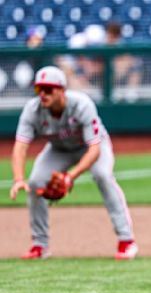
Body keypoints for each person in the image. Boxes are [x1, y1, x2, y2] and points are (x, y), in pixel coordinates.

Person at [9, 65, 138, 260]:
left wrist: (70, 177)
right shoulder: (33, 110)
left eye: (48, 89)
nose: (42, 94)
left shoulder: (81, 105)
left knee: (102, 175)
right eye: (38, 89)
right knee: (35, 183)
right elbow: (20, 147)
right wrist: (18, 178)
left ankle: (127, 240)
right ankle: (40, 245)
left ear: (61, 90)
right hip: (59, 149)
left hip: (92, 147)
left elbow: (94, 149)